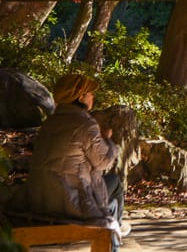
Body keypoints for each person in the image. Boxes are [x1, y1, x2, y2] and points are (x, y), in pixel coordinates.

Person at [25, 73, 129, 247]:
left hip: (41, 196)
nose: (93, 97)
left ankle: (114, 230)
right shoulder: (86, 125)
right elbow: (103, 161)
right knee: (115, 183)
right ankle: (112, 240)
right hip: (70, 200)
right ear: (80, 96)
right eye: (90, 93)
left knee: (107, 191)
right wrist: (108, 141)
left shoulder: (50, 122)